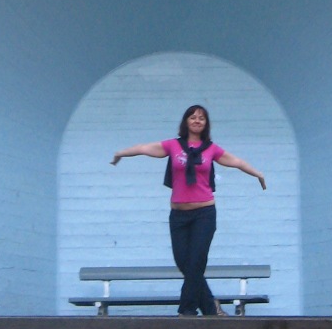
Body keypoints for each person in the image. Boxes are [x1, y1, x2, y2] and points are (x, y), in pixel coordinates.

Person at [111, 105, 267, 316]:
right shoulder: (173, 146)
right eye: (193, 117)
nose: (197, 120)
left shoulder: (211, 149)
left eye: (201, 118)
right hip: (178, 215)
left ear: (206, 124)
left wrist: (258, 174)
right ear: (186, 121)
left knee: (195, 262)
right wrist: (120, 153)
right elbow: (143, 148)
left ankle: (187, 310)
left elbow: (236, 162)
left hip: (204, 214)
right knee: (183, 262)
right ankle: (211, 307)